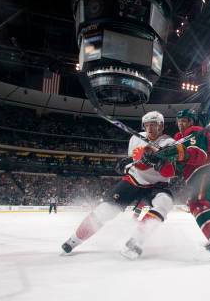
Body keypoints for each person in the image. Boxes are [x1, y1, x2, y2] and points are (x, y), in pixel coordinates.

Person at [60, 111, 175, 259]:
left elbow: (169, 172)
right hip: (135, 180)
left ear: (161, 126)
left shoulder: (169, 143)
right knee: (106, 210)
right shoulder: (135, 138)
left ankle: (136, 241)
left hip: (157, 184)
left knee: (164, 203)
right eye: (147, 125)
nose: (150, 128)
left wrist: (157, 160)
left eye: (154, 124)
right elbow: (132, 162)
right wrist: (125, 165)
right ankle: (74, 240)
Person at [144, 109, 210, 260]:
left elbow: (198, 156)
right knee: (195, 204)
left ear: (191, 122)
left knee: (198, 203)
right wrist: (158, 162)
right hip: (202, 174)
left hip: (208, 170)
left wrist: (172, 152)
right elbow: (173, 171)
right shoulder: (179, 139)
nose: (181, 124)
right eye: (179, 121)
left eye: (184, 120)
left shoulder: (195, 132)